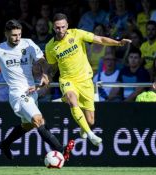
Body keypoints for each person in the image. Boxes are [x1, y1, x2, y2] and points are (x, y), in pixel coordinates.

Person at [0, 19, 74, 160]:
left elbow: (42, 61)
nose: (17, 38)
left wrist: (45, 74)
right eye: (14, 35)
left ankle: (5, 144)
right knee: (38, 120)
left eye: (19, 34)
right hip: (17, 94)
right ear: (6, 34)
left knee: (28, 125)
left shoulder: (28, 43)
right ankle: (61, 149)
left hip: (31, 92)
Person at [45, 13, 131, 145]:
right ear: (53, 28)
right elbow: (53, 67)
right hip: (68, 80)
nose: (60, 30)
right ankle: (91, 135)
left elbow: (100, 40)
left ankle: (84, 127)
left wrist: (118, 43)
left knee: (90, 121)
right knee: (72, 99)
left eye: (63, 27)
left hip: (85, 81)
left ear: (67, 25)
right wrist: (46, 76)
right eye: (57, 28)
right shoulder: (50, 47)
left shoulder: (77, 34)